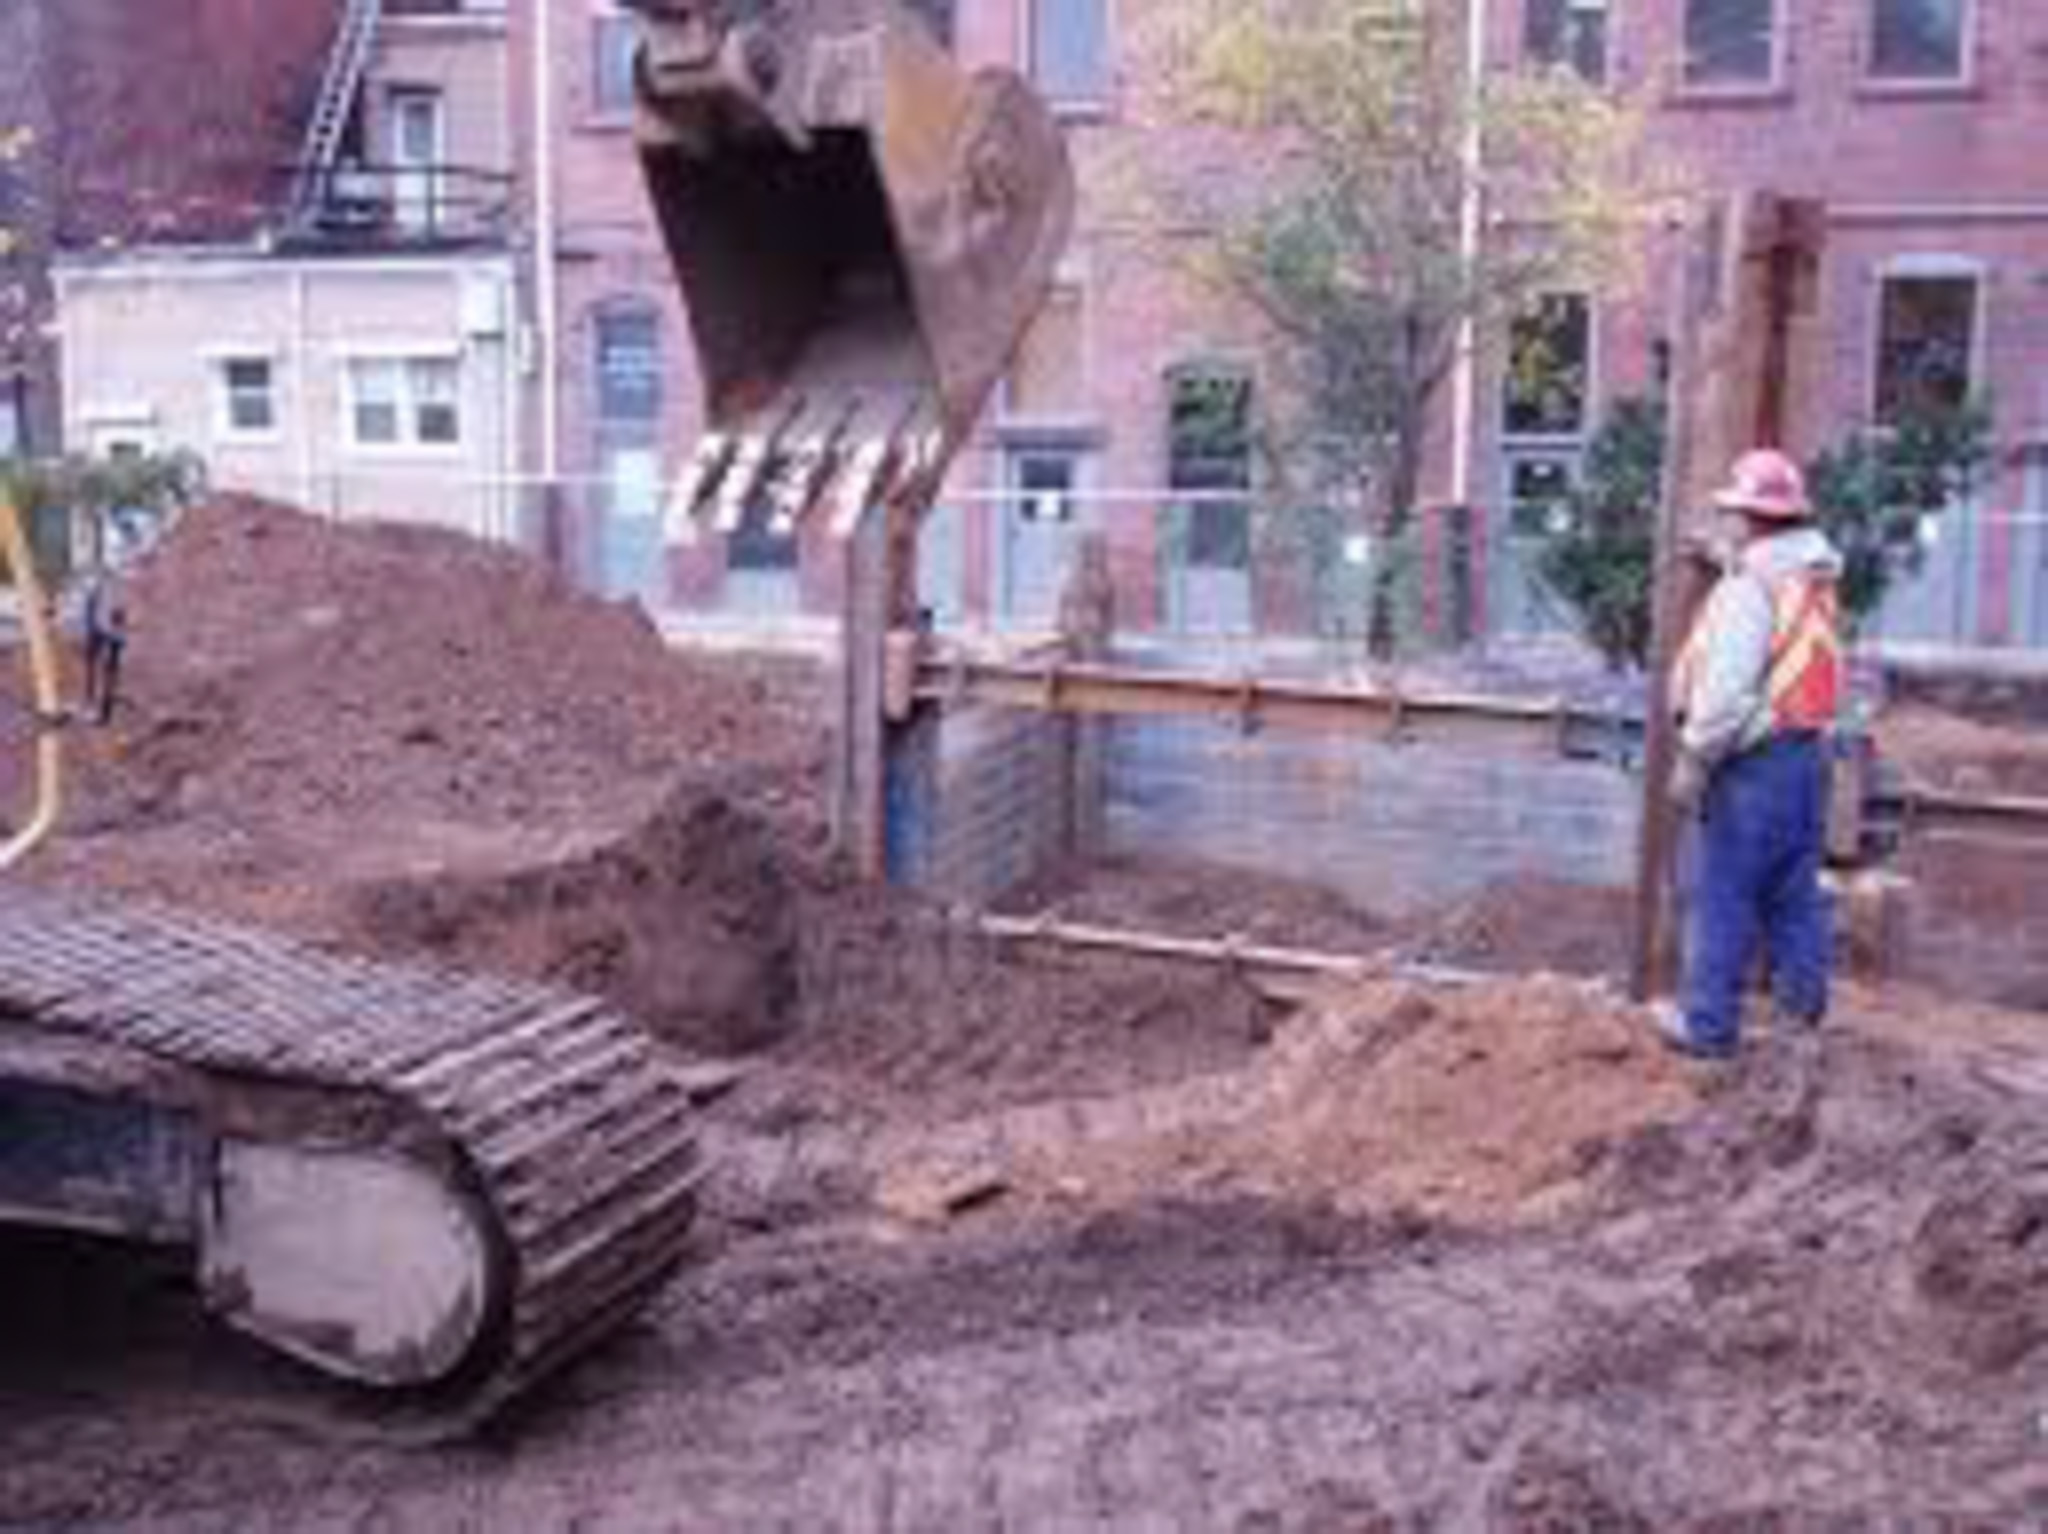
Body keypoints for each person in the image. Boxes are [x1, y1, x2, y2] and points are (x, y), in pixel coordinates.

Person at [1654, 447, 1844, 1060]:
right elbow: (1776, 617)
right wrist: (1723, 558)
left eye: (1733, 512)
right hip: (1804, 754)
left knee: (1722, 893)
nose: (1727, 520)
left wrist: (1694, 757)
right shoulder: (1811, 572)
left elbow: (1726, 693)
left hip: (1752, 763)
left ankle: (1707, 1027)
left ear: (1752, 517)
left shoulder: (1747, 591)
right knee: (1793, 890)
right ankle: (1803, 1012)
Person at [80, 556, 128, 727]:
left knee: (104, 670)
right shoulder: (110, 585)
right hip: (103, 630)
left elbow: (115, 614)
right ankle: (95, 708)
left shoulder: (110, 586)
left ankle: (102, 712)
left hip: (105, 631)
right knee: (97, 668)